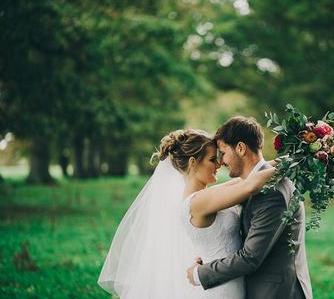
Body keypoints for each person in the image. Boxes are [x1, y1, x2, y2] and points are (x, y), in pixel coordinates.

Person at [98, 128, 276, 298]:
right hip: (219, 291)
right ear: (193, 162)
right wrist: (291, 165)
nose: (219, 164)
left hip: (227, 282)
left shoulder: (205, 196)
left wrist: (294, 158)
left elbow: (243, 180)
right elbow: (250, 185)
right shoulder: (197, 202)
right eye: (212, 159)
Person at [187, 116, 313, 299]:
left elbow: (250, 257)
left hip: (275, 292)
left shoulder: (270, 192)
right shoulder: (258, 182)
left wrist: (200, 274)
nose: (221, 161)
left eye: (223, 152)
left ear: (240, 148)